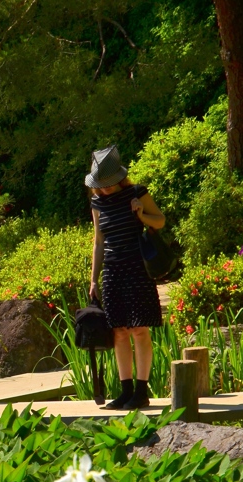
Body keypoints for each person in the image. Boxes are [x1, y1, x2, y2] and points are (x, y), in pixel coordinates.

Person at [87, 145, 165, 409]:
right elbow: (98, 241)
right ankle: (125, 390)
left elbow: (160, 221)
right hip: (112, 270)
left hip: (137, 267)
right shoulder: (96, 202)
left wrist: (141, 214)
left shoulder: (137, 193)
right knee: (119, 332)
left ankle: (142, 392)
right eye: (101, 184)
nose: (105, 188)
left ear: (120, 178)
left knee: (140, 330)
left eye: (109, 184)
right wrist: (93, 279)